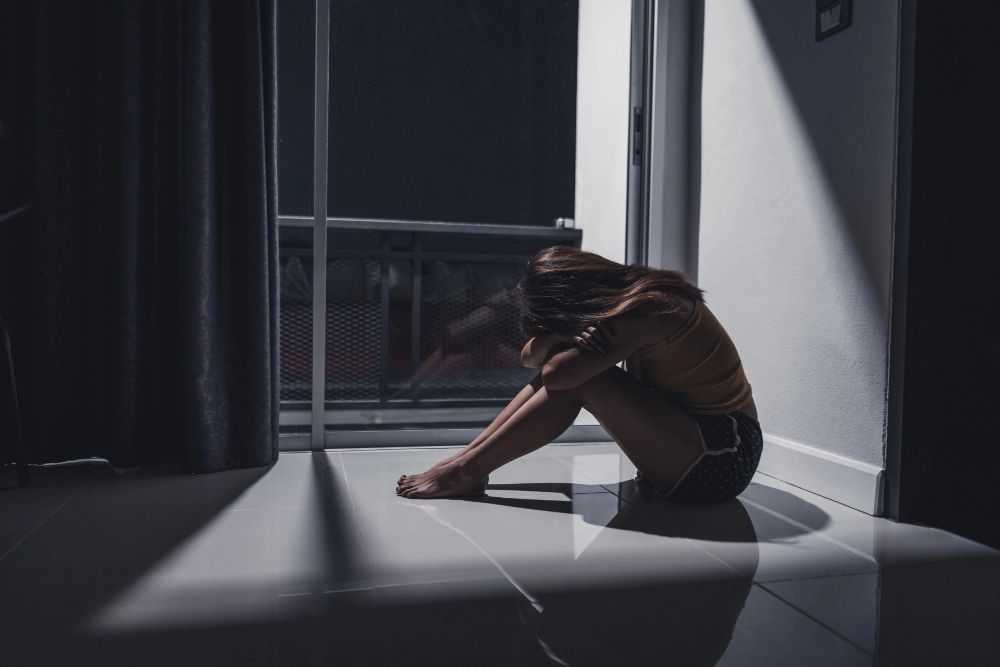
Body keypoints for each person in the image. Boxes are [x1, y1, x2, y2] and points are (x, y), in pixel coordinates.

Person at [396, 245, 762, 502]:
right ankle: (467, 461)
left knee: (582, 377)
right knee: (566, 371)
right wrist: (558, 335)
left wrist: (558, 343)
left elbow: (557, 377)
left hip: (723, 457)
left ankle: (464, 471)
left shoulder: (646, 308)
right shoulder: (634, 292)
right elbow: (531, 357)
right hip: (702, 440)